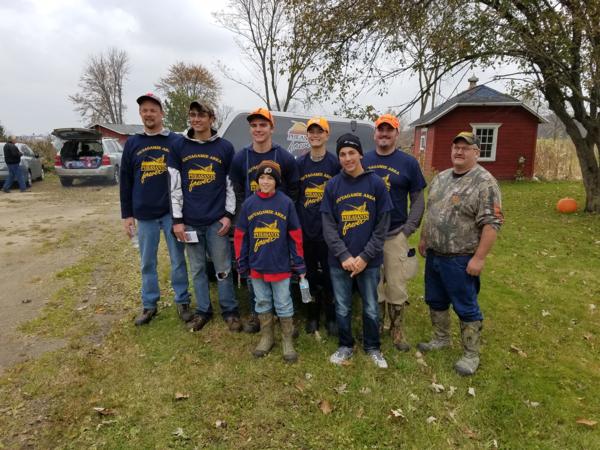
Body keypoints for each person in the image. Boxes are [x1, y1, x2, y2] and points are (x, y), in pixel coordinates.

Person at [418, 131, 504, 376]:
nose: (459, 151)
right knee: (435, 300)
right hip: (435, 254)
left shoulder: (485, 183)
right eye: (456, 147)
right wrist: (425, 237)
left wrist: (479, 258)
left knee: (466, 306)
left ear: (476, 152)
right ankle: (440, 338)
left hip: (461, 258)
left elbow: (491, 223)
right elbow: (432, 211)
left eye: (465, 148)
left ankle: (470, 354)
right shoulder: (441, 178)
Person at [168, 100, 242, 332]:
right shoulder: (179, 147)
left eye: (202, 115)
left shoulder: (225, 148)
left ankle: (229, 310)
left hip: (215, 222)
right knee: (198, 269)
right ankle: (203, 311)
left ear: (212, 118)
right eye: (193, 115)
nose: (196, 119)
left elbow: (231, 185)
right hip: (190, 222)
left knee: (223, 268)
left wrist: (228, 215)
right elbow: (174, 186)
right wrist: (178, 221)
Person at [321, 134, 393, 368]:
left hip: (369, 261)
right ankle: (345, 346)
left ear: (361, 154)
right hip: (339, 261)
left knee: (371, 306)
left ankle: (373, 347)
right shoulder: (333, 185)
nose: (347, 158)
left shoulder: (376, 184)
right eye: (342, 154)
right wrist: (344, 256)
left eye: (352, 153)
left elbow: (382, 226)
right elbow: (329, 225)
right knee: (342, 306)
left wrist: (363, 257)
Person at [120, 92, 190, 326]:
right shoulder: (133, 143)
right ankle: (150, 305)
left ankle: (182, 301)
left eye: (153, 110)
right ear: (141, 114)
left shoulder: (176, 141)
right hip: (144, 214)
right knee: (147, 262)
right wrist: (127, 215)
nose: (148, 114)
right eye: (144, 110)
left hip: (172, 214)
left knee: (178, 260)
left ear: (161, 113)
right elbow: (126, 181)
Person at [229, 108, 300, 333]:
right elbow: (237, 189)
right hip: (252, 221)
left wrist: (284, 216)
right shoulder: (242, 157)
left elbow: (294, 190)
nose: (258, 129)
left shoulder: (285, 157)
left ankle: (284, 314)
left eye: (263, 125)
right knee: (253, 271)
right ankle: (256, 313)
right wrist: (245, 213)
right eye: (254, 125)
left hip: (277, 223)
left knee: (281, 270)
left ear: (272, 127)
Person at [363, 114, 426, 351]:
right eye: (381, 130)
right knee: (374, 284)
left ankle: (397, 330)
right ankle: (377, 326)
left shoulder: (408, 163)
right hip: (369, 235)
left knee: (397, 286)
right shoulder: (365, 161)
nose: (384, 134)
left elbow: (418, 199)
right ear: (375, 133)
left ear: (397, 134)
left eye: (389, 130)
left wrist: (409, 229)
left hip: (395, 233)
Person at [234, 160, 306, 362]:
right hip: (257, 266)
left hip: (280, 265)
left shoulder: (285, 203)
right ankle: (267, 337)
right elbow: (241, 235)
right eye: (262, 178)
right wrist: (241, 261)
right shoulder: (249, 204)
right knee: (262, 300)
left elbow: (295, 235)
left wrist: (299, 262)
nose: (265, 182)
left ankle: (286, 339)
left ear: (276, 181)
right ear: (256, 181)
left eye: (270, 178)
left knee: (283, 302)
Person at [296, 116, 340, 335]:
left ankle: (331, 316)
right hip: (306, 232)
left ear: (326, 135)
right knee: (307, 277)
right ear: (307, 136)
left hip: (328, 233)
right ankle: (311, 314)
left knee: (331, 278)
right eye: (311, 132)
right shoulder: (300, 164)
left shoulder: (334, 164)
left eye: (319, 131)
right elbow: (296, 197)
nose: (315, 135)